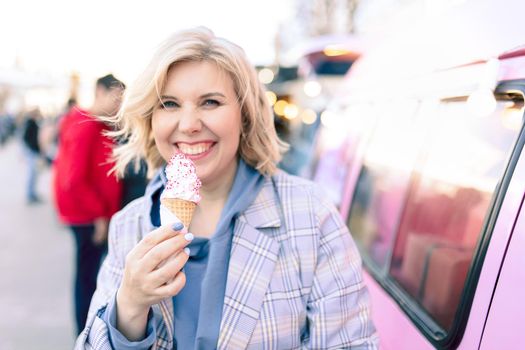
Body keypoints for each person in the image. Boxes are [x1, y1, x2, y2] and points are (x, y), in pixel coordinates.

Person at [75, 27, 378, 349]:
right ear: (151, 119)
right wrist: (130, 306)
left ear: (244, 115)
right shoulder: (130, 225)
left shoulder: (310, 216)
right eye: (169, 104)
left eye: (210, 102)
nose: (189, 124)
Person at [53, 74, 125, 335]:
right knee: (88, 279)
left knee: (90, 276)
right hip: (87, 217)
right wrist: (99, 216)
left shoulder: (93, 124)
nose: (118, 106)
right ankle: (85, 334)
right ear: (99, 92)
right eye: (115, 98)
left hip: (91, 214)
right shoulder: (85, 126)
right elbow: (74, 178)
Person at [21, 107, 43, 204]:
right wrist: (31, 147)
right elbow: (25, 138)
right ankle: (30, 195)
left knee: (34, 174)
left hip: (34, 151)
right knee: (32, 174)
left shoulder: (33, 123)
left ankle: (32, 194)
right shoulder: (30, 123)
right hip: (32, 151)